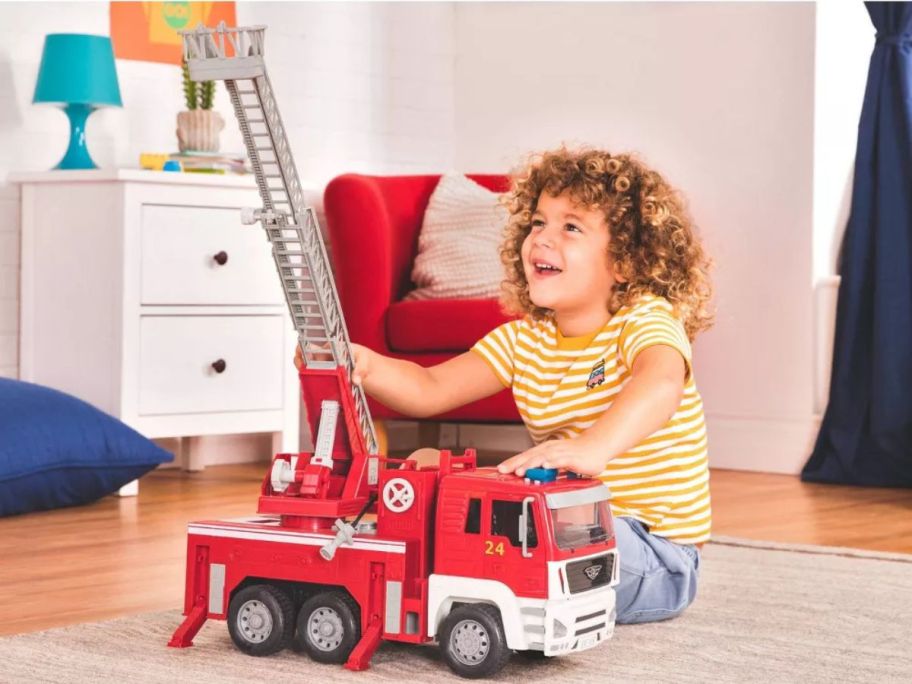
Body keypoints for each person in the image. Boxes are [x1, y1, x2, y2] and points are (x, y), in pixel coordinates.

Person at [295, 147, 713, 624]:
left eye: (571, 227)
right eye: (538, 223)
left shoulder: (646, 321)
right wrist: (364, 363)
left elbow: (660, 384)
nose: (543, 239)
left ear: (625, 261)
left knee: (527, 545)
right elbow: (430, 386)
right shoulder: (524, 339)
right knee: (443, 486)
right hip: (559, 523)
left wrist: (592, 447)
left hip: (653, 551)